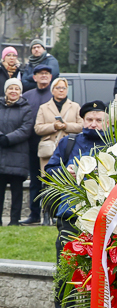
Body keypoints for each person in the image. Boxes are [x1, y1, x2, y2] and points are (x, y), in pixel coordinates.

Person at [44, 101, 108, 308]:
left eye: (98, 120)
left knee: (98, 276)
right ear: (82, 121)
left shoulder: (114, 147)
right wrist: (64, 172)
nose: (93, 124)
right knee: (66, 275)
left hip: (101, 221)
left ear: (105, 122)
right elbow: (49, 170)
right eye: (89, 119)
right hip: (70, 217)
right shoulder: (68, 143)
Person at [20, 64, 53, 225]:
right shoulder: (26, 96)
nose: (44, 76)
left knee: (50, 181)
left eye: (47, 73)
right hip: (32, 146)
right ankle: (34, 214)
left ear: (51, 77)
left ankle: (50, 215)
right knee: (34, 181)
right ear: (34, 77)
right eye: (41, 74)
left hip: (51, 147)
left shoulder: (55, 96)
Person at [0, 78, 33, 225]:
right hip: (1, 155)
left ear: (20, 92)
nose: (13, 91)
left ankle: (14, 220)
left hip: (18, 155)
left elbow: (26, 129)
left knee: (17, 192)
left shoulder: (26, 108)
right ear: (6, 91)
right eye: (10, 88)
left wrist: (8, 139)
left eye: (17, 89)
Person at [34, 77, 81, 175]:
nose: (61, 90)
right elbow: (38, 128)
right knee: (49, 179)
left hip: (69, 148)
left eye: (64, 88)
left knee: (69, 177)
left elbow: (82, 126)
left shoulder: (75, 106)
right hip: (49, 149)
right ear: (52, 90)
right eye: (58, 87)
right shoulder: (44, 107)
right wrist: (53, 127)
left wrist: (66, 126)